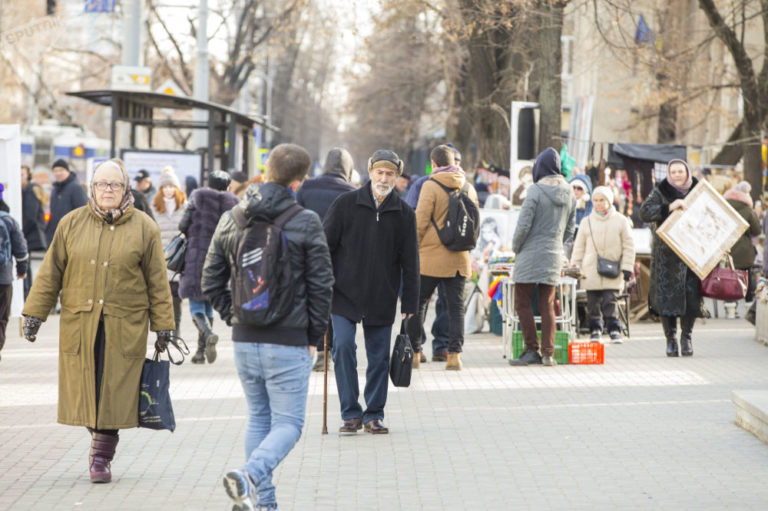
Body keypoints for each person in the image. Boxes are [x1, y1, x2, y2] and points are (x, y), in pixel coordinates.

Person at [21, 158, 174, 483]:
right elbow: (50, 273)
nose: (108, 190)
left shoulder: (145, 227)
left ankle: (101, 457)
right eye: (102, 184)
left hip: (125, 326)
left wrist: (164, 325)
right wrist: (34, 313)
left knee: (115, 389)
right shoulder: (71, 223)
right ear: (92, 188)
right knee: (87, 389)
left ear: (125, 189)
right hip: (81, 324)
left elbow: (158, 281)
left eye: (115, 185)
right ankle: (98, 439)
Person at [202, 143, 334, 511]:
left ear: (266, 171)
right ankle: (248, 476)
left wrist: (234, 317)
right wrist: (313, 338)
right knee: (289, 424)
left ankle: (263, 504)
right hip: (289, 341)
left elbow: (210, 278)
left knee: (260, 418)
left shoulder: (233, 217)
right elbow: (323, 285)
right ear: (298, 181)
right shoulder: (305, 220)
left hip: (245, 340)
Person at [323, 149, 419, 434]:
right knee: (342, 348)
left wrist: (410, 301)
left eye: (390, 173)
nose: (384, 178)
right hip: (343, 293)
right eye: (380, 172)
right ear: (370, 172)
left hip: (381, 294)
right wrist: (321, 285)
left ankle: (373, 414)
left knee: (378, 357)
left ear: (397, 177)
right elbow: (324, 248)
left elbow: (411, 262)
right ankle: (350, 413)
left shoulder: (404, 214)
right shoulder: (345, 204)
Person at [407, 144, 479, 370]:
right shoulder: (468, 187)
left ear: (434, 164)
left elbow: (420, 221)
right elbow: (474, 223)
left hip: (429, 259)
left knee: (417, 305)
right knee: (456, 307)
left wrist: (412, 249)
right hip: (459, 257)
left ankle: (415, 353)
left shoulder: (430, 185)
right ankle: (454, 356)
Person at [509, 148, 576, 366]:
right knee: (547, 304)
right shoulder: (570, 192)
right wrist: (556, 243)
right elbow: (570, 229)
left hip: (530, 253)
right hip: (554, 254)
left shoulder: (535, 191)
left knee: (522, 302)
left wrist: (516, 247)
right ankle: (548, 353)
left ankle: (531, 349)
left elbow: (523, 226)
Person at [296, 147, 357, 371]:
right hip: (338, 258)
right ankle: (326, 351)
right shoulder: (351, 191)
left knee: (309, 301)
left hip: (307, 254)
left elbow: (296, 218)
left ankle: (310, 348)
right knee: (331, 305)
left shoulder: (307, 187)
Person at [639, 159, 706, 357]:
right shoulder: (661, 191)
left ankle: (686, 338)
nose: (677, 175)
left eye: (680, 171)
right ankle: (671, 340)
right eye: (673, 172)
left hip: (692, 254)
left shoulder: (699, 191)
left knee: (691, 297)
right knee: (667, 298)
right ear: (669, 174)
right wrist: (669, 207)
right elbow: (644, 212)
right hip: (666, 257)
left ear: (687, 172)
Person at [178, 170, 239, 364]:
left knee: (196, 303)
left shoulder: (198, 199)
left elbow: (182, 226)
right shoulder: (234, 204)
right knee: (209, 303)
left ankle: (208, 333)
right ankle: (200, 352)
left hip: (198, 255)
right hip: (221, 259)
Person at [569, 186, 635, 343]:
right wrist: (574, 268)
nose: (598, 204)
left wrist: (627, 267)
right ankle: (595, 329)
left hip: (613, 267)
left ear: (609, 201)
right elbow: (579, 247)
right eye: (596, 200)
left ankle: (613, 329)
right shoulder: (587, 222)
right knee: (593, 302)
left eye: (602, 200)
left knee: (610, 300)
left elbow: (629, 245)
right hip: (590, 269)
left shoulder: (621, 220)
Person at [151, 167, 188, 339]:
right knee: (162, 298)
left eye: (171, 186)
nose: (168, 189)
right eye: (164, 186)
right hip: (161, 259)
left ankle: (176, 330)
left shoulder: (184, 206)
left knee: (175, 298)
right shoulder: (155, 207)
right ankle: (164, 331)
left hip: (178, 260)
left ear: (176, 188)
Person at [723, 181, 761, 303]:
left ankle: (730, 307)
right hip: (744, 249)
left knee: (728, 276)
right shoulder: (748, 210)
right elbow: (756, 231)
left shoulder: (724, 206)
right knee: (746, 276)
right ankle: (748, 302)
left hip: (725, 247)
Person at [0, 205, 28, 361]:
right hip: (3, 278)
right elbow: (21, 249)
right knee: (2, 316)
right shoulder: (8, 220)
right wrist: (22, 270)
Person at [46, 159, 88, 245]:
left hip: (72, 236)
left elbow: (83, 212)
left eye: (61, 170)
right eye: (55, 171)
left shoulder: (76, 188)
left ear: (68, 171)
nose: (58, 173)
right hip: (56, 236)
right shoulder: (55, 190)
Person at [21, 165, 48, 298]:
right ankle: (27, 295)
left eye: (22, 174)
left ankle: (26, 295)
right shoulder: (25, 190)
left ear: (28, 176)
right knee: (26, 265)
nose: (20, 177)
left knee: (24, 266)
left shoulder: (30, 191)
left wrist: (20, 233)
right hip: (29, 234)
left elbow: (30, 216)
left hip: (29, 235)